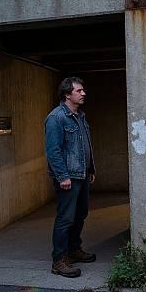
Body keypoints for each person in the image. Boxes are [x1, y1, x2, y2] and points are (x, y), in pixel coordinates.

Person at [44, 77, 96, 278]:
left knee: (80, 214)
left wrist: (91, 168)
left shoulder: (80, 116)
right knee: (65, 218)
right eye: (79, 90)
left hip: (82, 175)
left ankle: (74, 250)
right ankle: (59, 260)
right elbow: (53, 150)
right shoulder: (56, 118)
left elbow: (84, 146)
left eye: (83, 90)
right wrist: (62, 176)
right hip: (68, 177)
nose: (83, 93)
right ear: (67, 94)